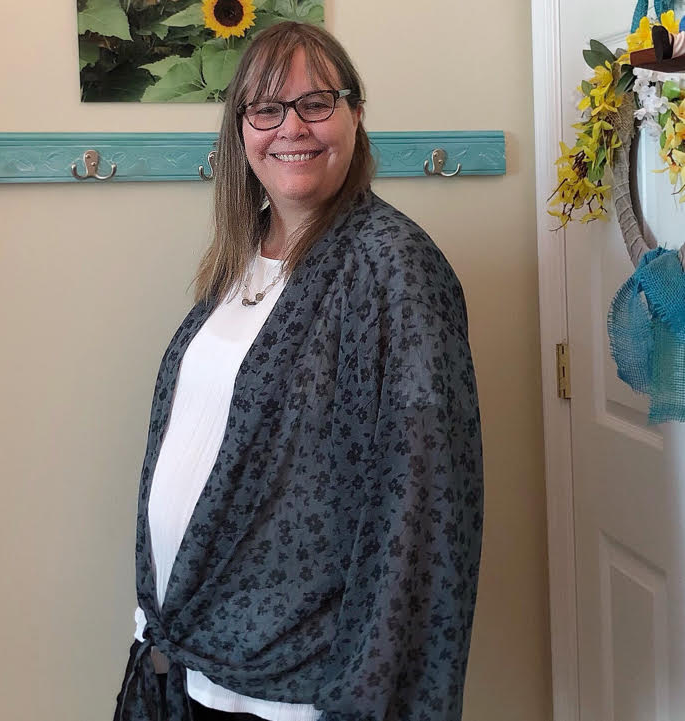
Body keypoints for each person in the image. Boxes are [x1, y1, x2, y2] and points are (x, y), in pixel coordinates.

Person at [113, 20, 483, 721]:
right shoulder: (241, 257)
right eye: (267, 108)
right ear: (241, 129)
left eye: (317, 102)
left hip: (289, 692)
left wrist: (367, 700)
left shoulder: (392, 268)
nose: (292, 127)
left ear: (355, 114)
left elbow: (425, 513)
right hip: (186, 658)